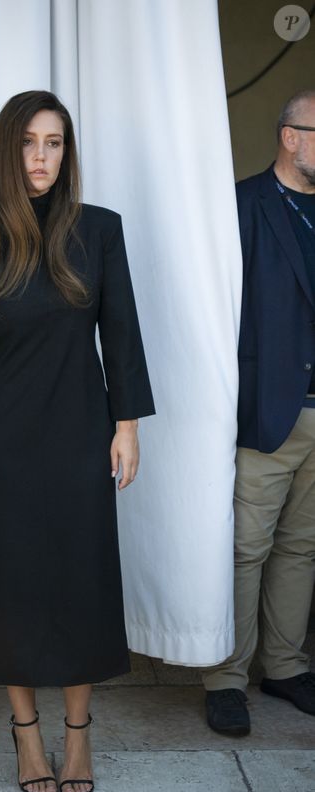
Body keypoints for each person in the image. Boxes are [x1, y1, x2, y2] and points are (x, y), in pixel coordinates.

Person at [0, 90, 155, 792]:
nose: (42, 157)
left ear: (68, 151)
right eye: (29, 142)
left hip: (81, 433)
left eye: (55, 142)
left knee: (83, 580)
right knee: (12, 588)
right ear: (8, 149)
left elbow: (120, 334)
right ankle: (27, 738)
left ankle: (80, 737)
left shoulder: (99, 230)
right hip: (3, 442)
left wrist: (126, 427)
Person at [203, 90, 315, 735]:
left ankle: (286, 667)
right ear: (289, 136)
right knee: (246, 549)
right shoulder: (242, 205)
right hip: (270, 411)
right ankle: (225, 677)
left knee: (300, 547)